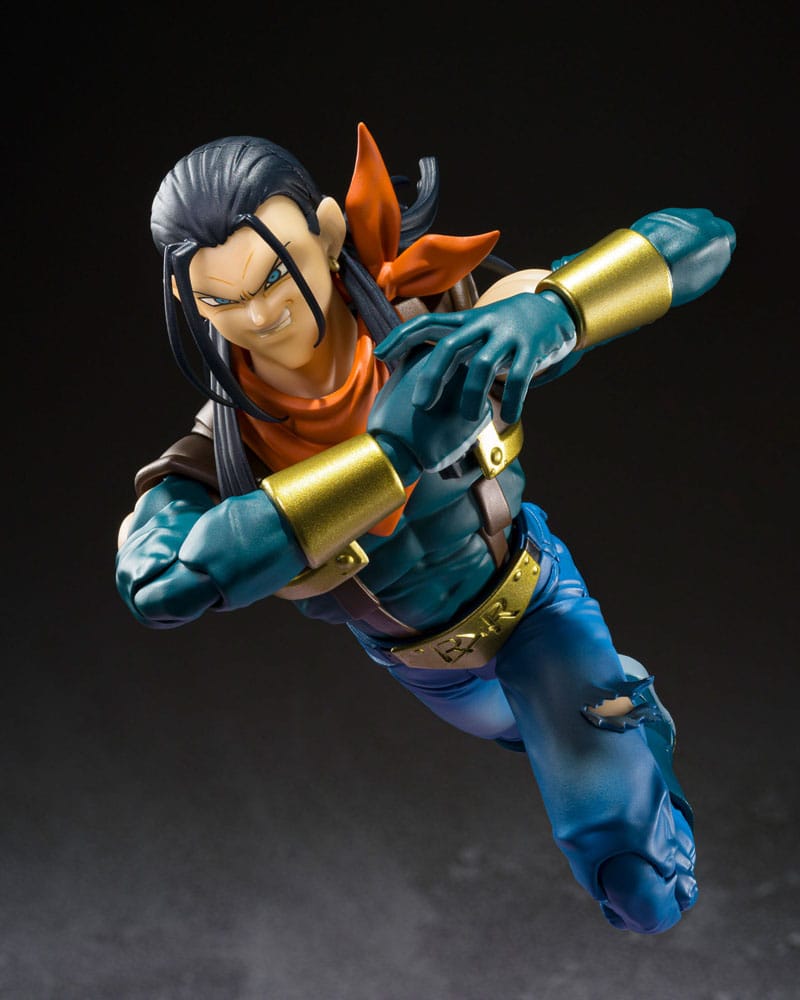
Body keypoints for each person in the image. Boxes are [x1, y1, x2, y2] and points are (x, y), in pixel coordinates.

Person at [116, 122, 736, 934]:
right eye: (220, 300)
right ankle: (604, 713)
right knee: (535, 732)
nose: (261, 315)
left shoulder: (434, 314)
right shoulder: (224, 449)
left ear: (326, 231)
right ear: (185, 300)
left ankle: (611, 721)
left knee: (641, 888)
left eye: (276, 274)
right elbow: (159, 583)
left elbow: (702, 239)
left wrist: (554, 312)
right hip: (432, 677)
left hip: (536, 612)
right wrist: (391, 456)